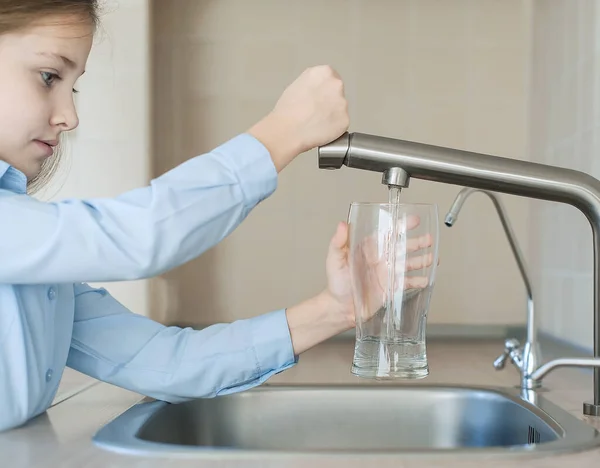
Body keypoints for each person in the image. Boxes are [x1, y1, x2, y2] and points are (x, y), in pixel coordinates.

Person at [0, 1, 433, 433]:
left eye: (71, 88)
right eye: (48, 77)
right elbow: (137, 236)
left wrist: (338, 309)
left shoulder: (34, 255)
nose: (70, 117)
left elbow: (166, 363)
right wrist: (284, 132)